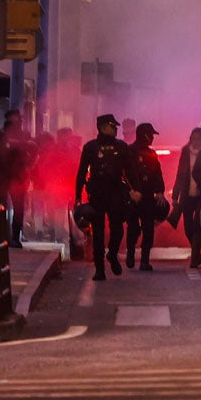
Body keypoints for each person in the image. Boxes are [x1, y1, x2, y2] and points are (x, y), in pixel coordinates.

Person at [75, 114, 131, 280]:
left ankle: (112, 254)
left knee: (118, 229)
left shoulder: (121, 147)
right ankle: (99, 269)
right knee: (98, 232)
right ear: (103, 127)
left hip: (116, 193)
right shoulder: (91, 147)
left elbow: (130, 171)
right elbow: (82, 172)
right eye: (112, 126)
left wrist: (135, 189)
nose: (115, 129)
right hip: (97, 194)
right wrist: (78, 196)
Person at [172, 127, 201, 268]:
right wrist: (175, 194)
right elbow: (180, 173)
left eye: (197, 138)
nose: (195, 141)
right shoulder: (186, 151)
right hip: (187, 193)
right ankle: (198, 252)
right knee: (188, 227)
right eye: (193, 138)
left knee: (199, 225)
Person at [124, 123, 166, 271]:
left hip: (147, 196)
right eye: (151, 135)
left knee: (148, 228)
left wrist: (160, 191)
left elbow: (157, 175)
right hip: (133, 196)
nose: (153, 138)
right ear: (145, 135)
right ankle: (130, 253)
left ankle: (144, 260)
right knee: (133, 228)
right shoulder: (129, 152)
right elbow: (124, 175)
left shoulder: (152, 154)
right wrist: (130, 191)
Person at [0, 115, 37, 247]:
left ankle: (11, 236)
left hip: (14, 178)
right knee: (6, 208)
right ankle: (8, 236)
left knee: (14, 209)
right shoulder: (2, 137)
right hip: (9, 177)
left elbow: (34, 150)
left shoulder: (20, 137)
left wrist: (28, 166)